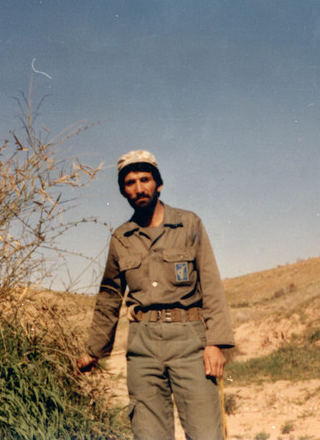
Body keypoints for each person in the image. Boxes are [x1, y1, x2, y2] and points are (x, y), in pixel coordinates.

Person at [77, 150, 235, 440]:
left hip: (191, 342)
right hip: (143, 346)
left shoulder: (189, 224)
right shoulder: (121, 238)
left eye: (145, 179)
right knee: (149, 434)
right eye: (130, 183)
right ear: (123, 191)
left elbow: (211, 285)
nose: (139, 188)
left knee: (206, 433)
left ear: (158, 184)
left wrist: (216, 343)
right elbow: (109, 298)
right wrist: (93, 350)